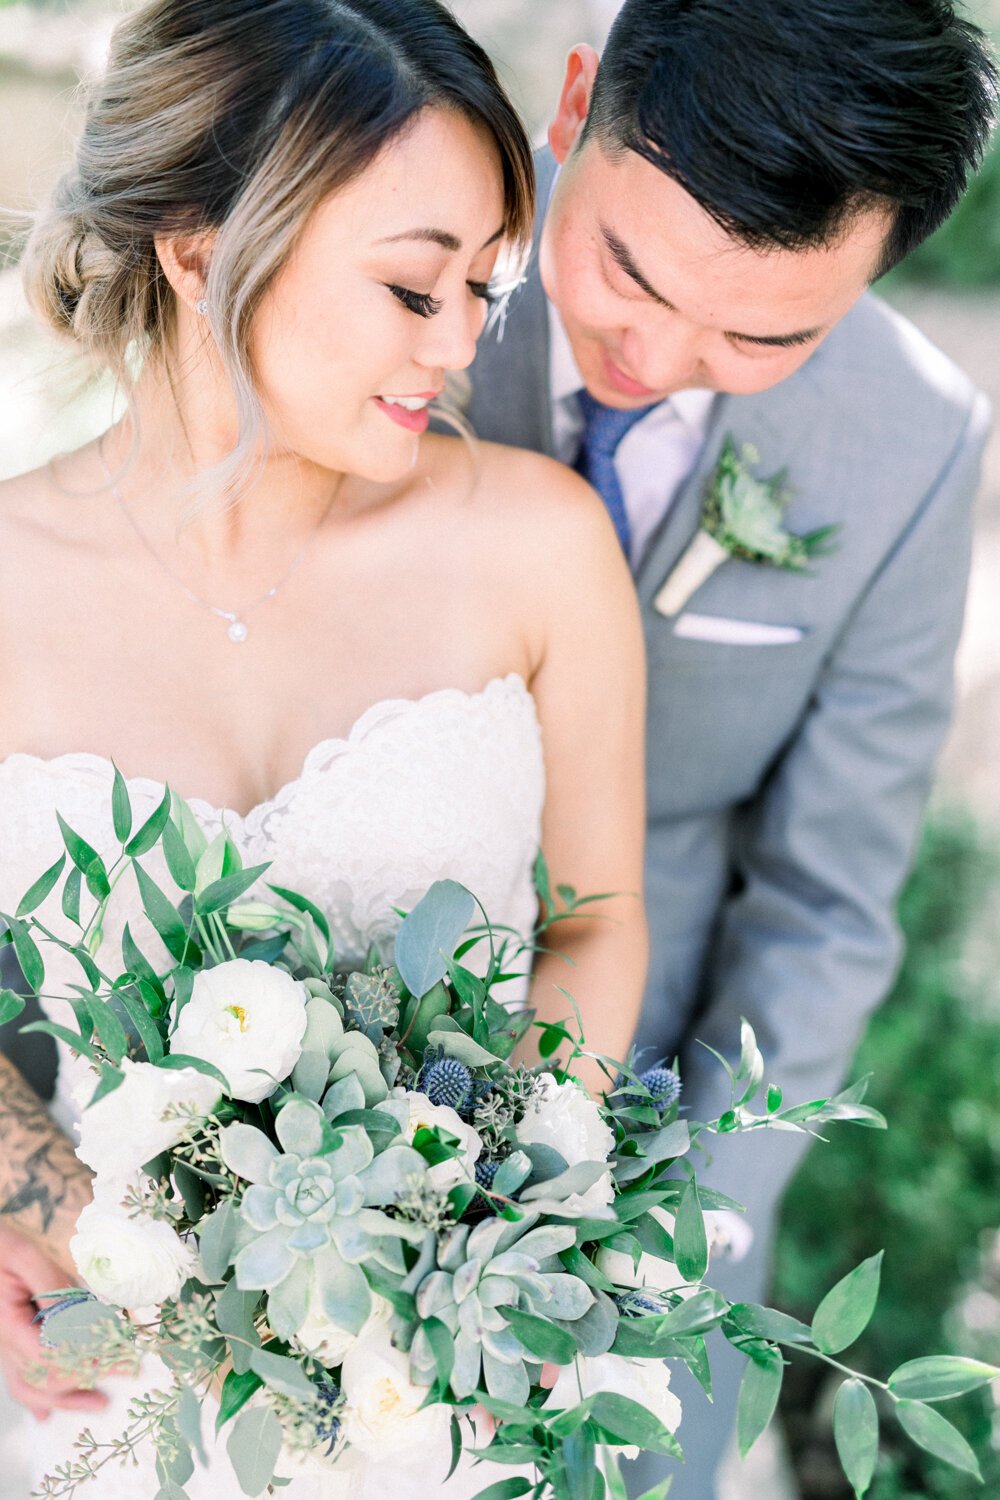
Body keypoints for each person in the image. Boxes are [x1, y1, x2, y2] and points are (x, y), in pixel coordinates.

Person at [0, 1, 648, 1494]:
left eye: (485, 287)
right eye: (416, 288)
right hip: (121, 1395)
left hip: (460, 1390)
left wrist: (498, 1214)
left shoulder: (539, 547)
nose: (464, 341)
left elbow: (597, 925)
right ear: (199, 248)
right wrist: (32, 1195)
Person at [463, 1, 997, 1496]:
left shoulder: (911, 440)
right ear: (576, 100)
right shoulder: (395, 271)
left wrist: (676, 1222)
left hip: (647, 1119)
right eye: (626, 271)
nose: (662, 351)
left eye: (765, 334)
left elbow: (827, 904)